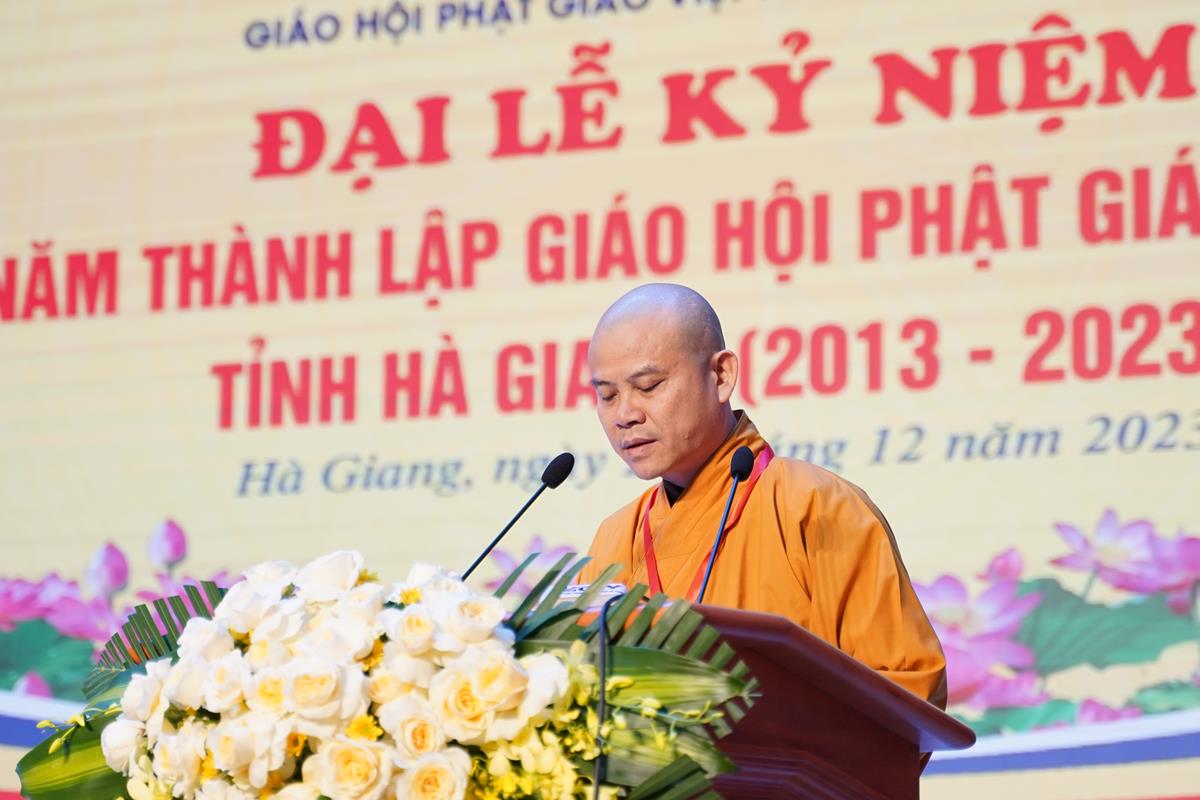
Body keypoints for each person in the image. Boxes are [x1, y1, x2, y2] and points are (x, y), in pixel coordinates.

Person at [576, 283, 947, 708]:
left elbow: (907, 688)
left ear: (721, 376)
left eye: (649, 386)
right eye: (607, 395)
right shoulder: (613, 539)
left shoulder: (817, 507)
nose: (625, 415)